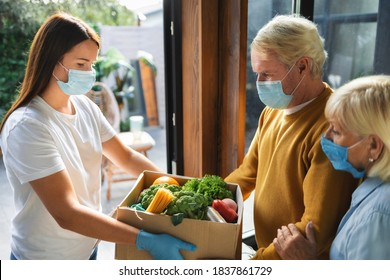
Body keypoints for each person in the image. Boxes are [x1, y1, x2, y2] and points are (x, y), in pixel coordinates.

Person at [0, 12, 195, 260]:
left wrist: (174, 188)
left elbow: (125, 157)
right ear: (50, 62)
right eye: (81, 64)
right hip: (46, 259)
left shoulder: (85, 107)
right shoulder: (28, 126)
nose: (89, 73)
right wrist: (141, 239)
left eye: (92, 64)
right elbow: (67, 213)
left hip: (88, 249)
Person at [225, 14, 359, 259]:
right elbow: (248, 172)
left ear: (302, 66)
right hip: (266, 250)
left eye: (266, 74)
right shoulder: (272, 112)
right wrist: (210, 196)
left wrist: (256, 264)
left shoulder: (333, 128)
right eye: (257, 73)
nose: (259, 82)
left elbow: (313, 228)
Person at [273, 75, 390, 260]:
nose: (326, 137)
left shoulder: (378, 216)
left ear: (374, 146)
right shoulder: (372, 184)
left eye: (336, 131)